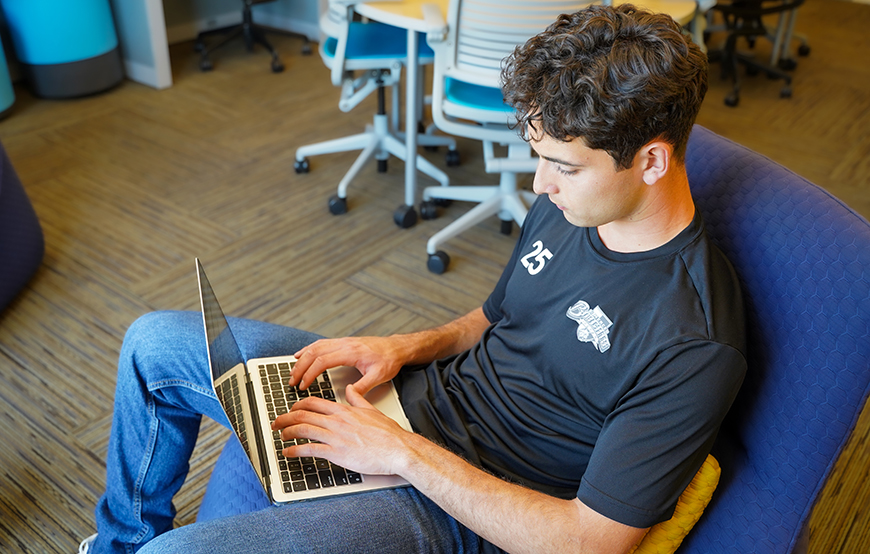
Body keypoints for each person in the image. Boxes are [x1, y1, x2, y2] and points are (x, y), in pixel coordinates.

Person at [80, 5, 746, 554]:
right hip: (408, 405)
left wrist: (401, 455)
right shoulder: (568, 206)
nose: (539, 185)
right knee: (153, 345)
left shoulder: (694, 342)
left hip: (457, 512)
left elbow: (588, 542)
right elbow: (491, 321)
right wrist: (401, 347)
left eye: (563, 167)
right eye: (538, 158)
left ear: (652, 162)